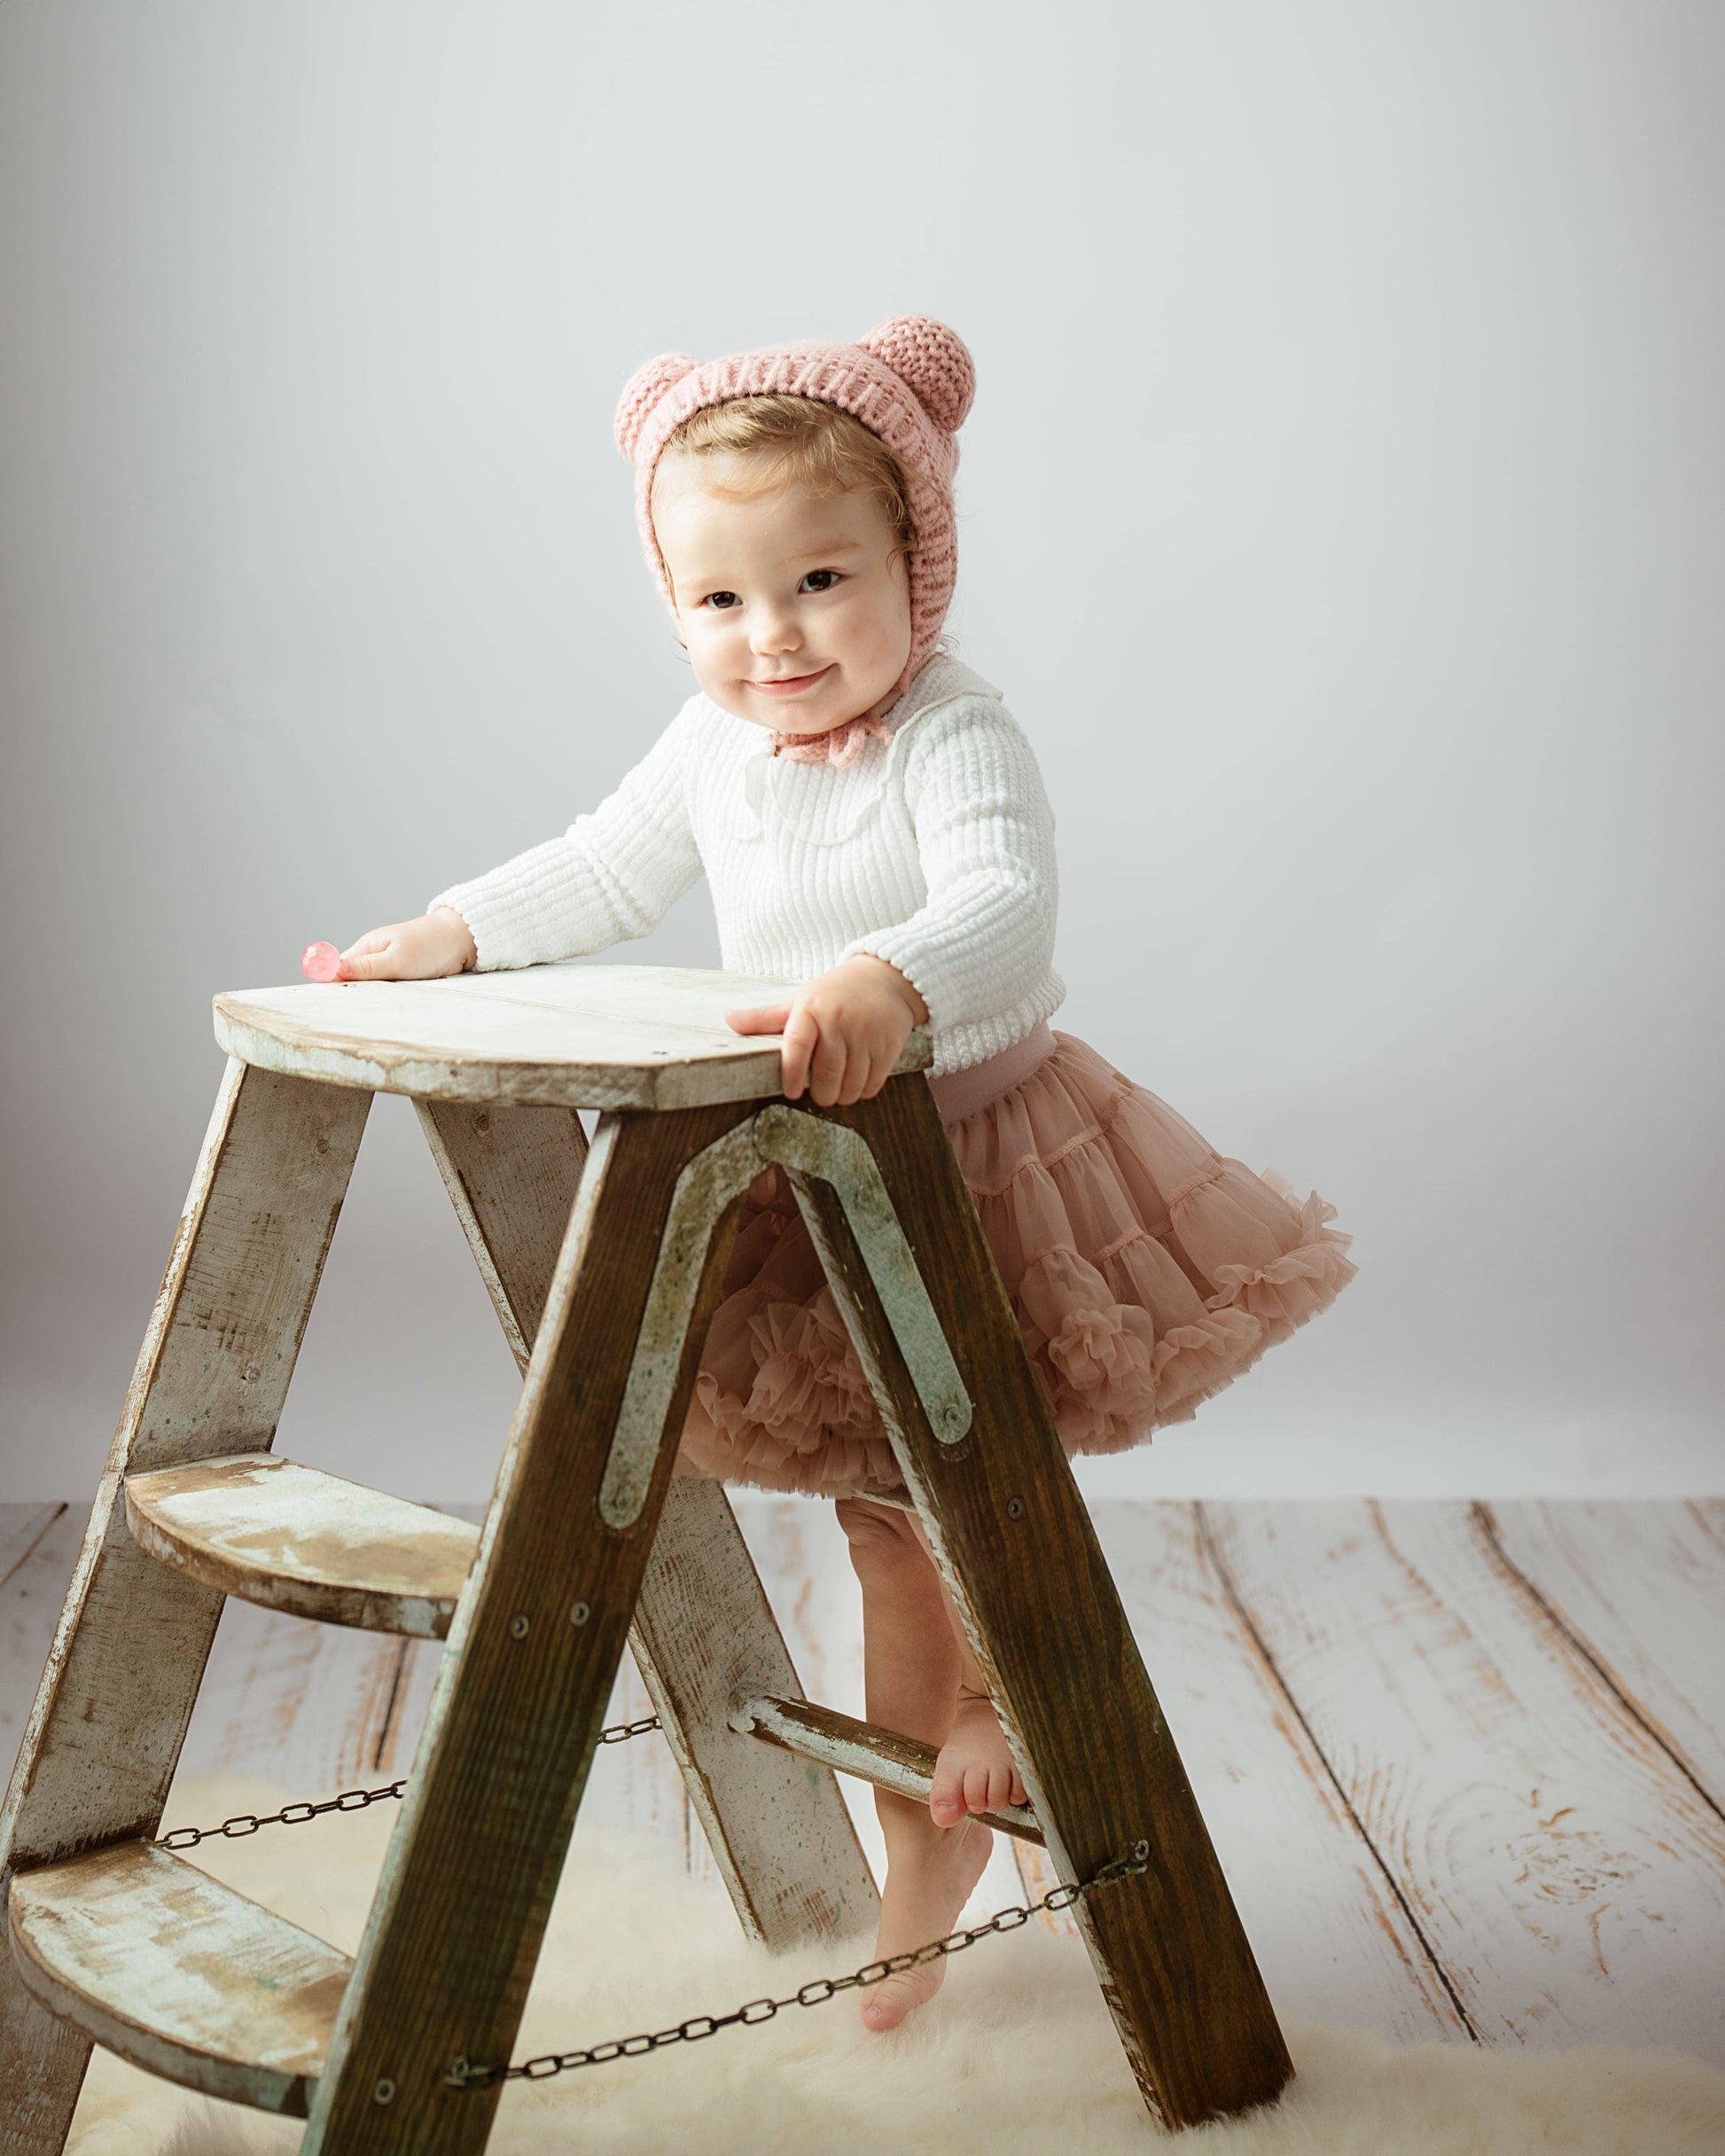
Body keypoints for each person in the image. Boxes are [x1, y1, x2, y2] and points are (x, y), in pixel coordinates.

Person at [328, 316, 1355, 2033]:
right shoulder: (711, 741)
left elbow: (1002, 899)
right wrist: (453, 929)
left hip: (967, 1159)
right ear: (671, 601)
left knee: (975, 1484)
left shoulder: (954, 730)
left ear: (914, 569)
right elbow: (604, 863)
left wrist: (891, 977)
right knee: (883, 1530)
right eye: (720, 600)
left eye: (820, 580)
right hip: (801, 1164)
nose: (774, 637)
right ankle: (925, 1831)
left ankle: (1001, 1725)